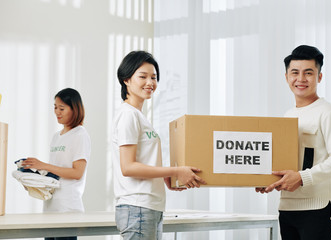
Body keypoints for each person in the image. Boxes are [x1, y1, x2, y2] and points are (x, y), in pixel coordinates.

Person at [256, 45, 331, 240]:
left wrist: (301, 177)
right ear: (286, 77)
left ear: (319, 77)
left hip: (318, 208)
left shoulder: (328, 112)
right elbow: (286, 162)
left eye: (308, 73)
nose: (301, 79)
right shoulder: (288, 116)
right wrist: (268, 180)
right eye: (295, 73)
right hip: (287, 206)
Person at [112, 50, 206, 240]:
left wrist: (164, 177)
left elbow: (142, 161)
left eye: (154, 77)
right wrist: (175, 171)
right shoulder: (128, 115)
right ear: (126, 80)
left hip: (148, 207)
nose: (150, 83)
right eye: (143, 76)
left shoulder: (139, 116)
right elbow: (128, 167)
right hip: (137, 207)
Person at [22, 88, 91, 240]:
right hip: (50, 209)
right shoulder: (56, 137)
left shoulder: (80, 135)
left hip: (68, 210)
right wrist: (32, 180)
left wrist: (44, 165)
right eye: (55, 107)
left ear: (75, 109)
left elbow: (77, 173)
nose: (57, 112)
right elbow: (54, 175)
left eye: (62, 108)